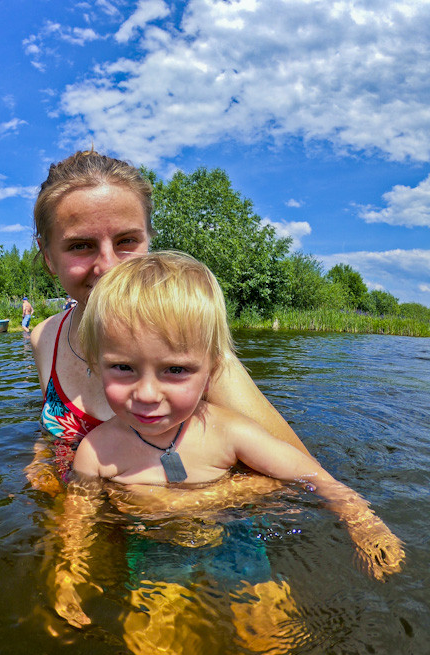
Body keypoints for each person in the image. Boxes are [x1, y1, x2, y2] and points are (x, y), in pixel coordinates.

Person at [71, 251, 405, 580]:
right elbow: (77, 520)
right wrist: (68, 574)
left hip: (234, 537)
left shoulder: (228, 431)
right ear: (96, 365)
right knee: (153, 627)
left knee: (269, 623)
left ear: (211, 369)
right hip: (153, 546)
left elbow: (311, 475)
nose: (146, 393)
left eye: (175, 369)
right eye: (123, 368)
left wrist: (363, 522)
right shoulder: (97, 451)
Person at [28, 150, 310, 489]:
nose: (108, 266)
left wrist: (180, 504)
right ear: (48, 256)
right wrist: (41, 461)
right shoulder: (45, 336)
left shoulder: (185, 348)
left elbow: (302, 477)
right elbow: (54, 431)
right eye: (81, 245)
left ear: (149, 240)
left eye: (127, 241)